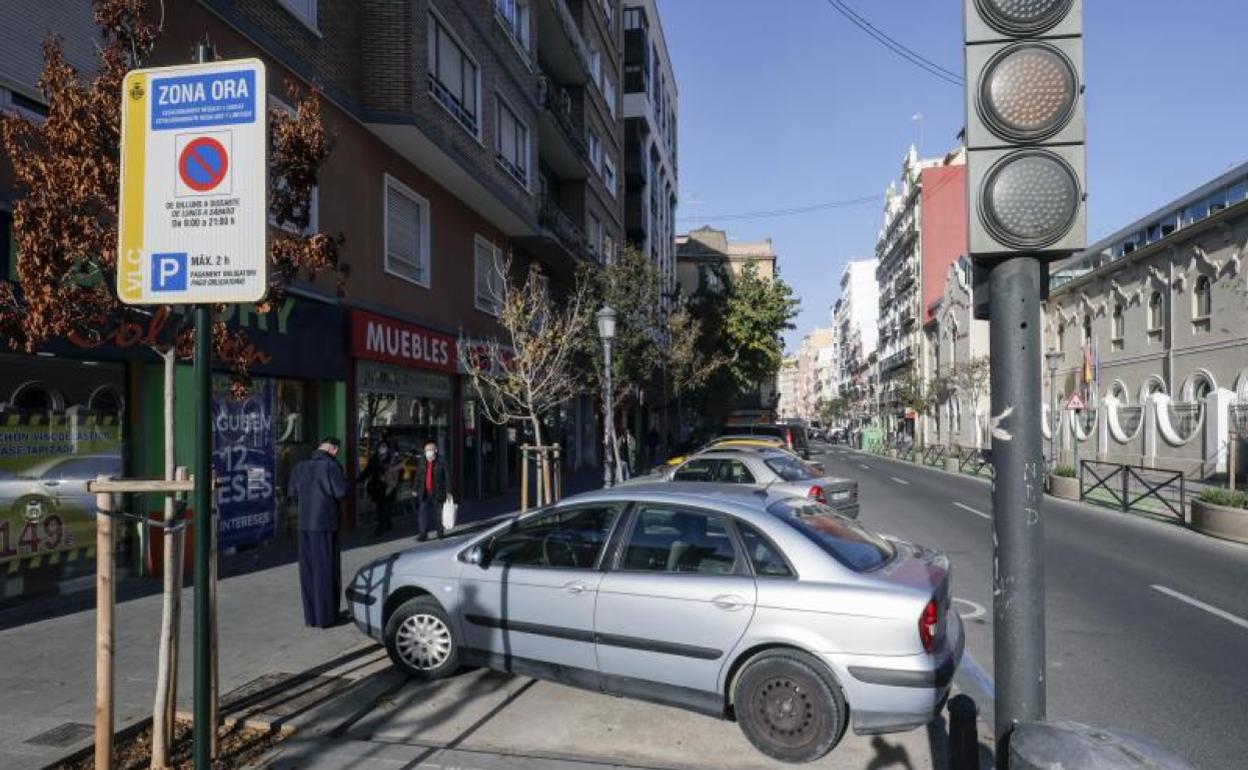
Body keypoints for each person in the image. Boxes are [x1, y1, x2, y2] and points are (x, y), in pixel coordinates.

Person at [288, 438, 349, 629]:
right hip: (325, 524)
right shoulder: (331, 466)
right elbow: (340, 492)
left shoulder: (300, 467)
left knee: (308, 571)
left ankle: (311, 616)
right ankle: (327, 617)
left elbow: (293, 493)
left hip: (305, 524)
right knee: (326, 570)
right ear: (333, 449)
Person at [359, 438, 400, 536]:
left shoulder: (392, 458)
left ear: (388, 448)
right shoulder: (374, 458)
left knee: (383, 507)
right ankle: (388, 523)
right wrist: (360, 479)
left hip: (389, 487)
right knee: (381, 507)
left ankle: (379, 529)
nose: (382, 449)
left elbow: (398, 472)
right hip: (377, 486)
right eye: (380, 447)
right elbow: (368, 470)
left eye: (384, 447)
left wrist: (395, 483)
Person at [414, 440, 449, 541]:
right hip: (424, 491)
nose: (428, 452)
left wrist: (448, 491)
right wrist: (415, 488)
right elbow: (418, 476)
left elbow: (447, 477)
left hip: (437, 491)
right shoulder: (422, 460)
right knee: (422, 512)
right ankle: (423, 534)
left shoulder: (441, 460)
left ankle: (440, 532)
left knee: (439, 512)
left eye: (430, 449)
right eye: (426, 450)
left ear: (436, 450)